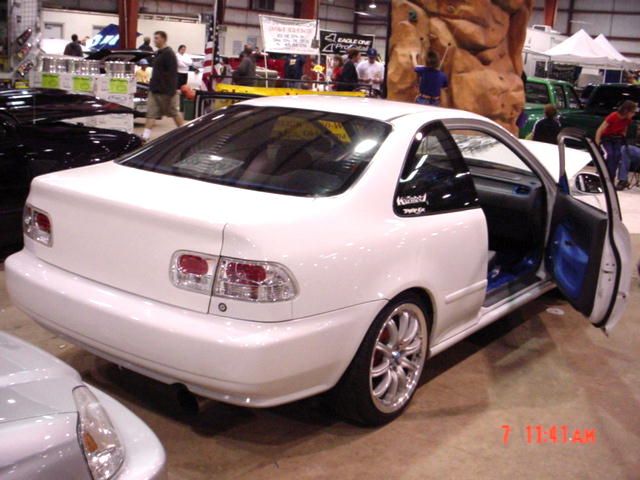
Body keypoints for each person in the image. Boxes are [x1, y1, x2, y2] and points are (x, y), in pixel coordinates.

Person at [142, 31, 184, 142]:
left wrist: (171, 91)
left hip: (166, 91)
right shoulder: (158, 53)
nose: (154, 40)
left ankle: (185, 133)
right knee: (151, 113)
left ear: (163, 39)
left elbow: (172, 73)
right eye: (154, 38)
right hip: (155, 89)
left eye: (157, 38)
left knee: (173, 113)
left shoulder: (169, 54)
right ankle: (145, 136)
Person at [595, 100, 638, 189]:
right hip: (606, 139)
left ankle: (611, 179)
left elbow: (625, 128)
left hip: (617, 139)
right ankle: (602, 177)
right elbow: (600, 129)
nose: (634, 114)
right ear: (626, 111)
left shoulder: (628, 119)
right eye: (633, 112)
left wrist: (622, 135)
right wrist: (597, 143)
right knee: (609, 155)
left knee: (617, 155)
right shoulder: (613, 116)